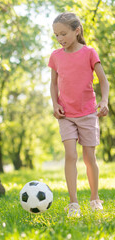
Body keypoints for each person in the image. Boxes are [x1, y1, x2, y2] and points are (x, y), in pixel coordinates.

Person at [49, 12, 109, 217]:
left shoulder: (90, 52)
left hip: (88, 113)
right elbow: (53, 83)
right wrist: (55, 104)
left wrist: (104, 100)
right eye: (56, 35)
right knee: (70, 155)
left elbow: (103, 80)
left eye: (63, 33)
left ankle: (95, 199)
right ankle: (73, 203)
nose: (60, 39)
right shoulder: (55, 56)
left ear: (77, 31)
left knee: (89, 157)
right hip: (66, 114)